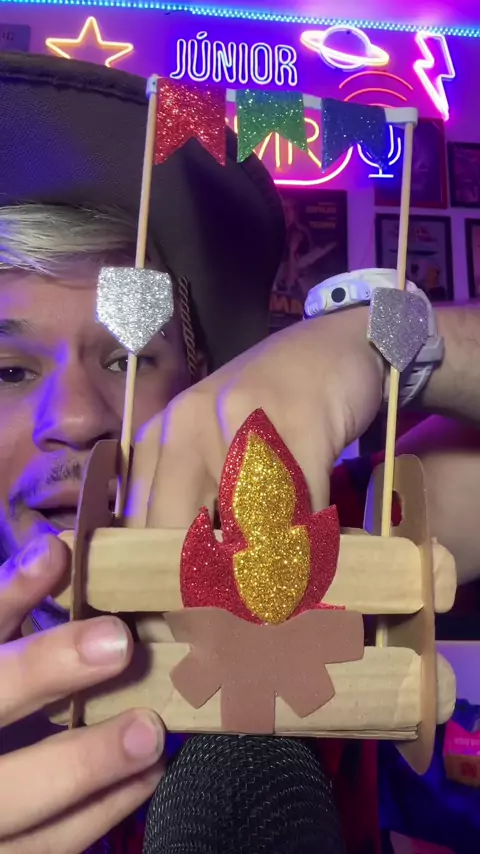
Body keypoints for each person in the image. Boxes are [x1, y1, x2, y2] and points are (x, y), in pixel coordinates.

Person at [1, 50, 480, 854]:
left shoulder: (307, 545)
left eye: (126, 359)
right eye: (8, 371)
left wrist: (377, 340)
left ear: (197, 382)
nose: (78, 419)